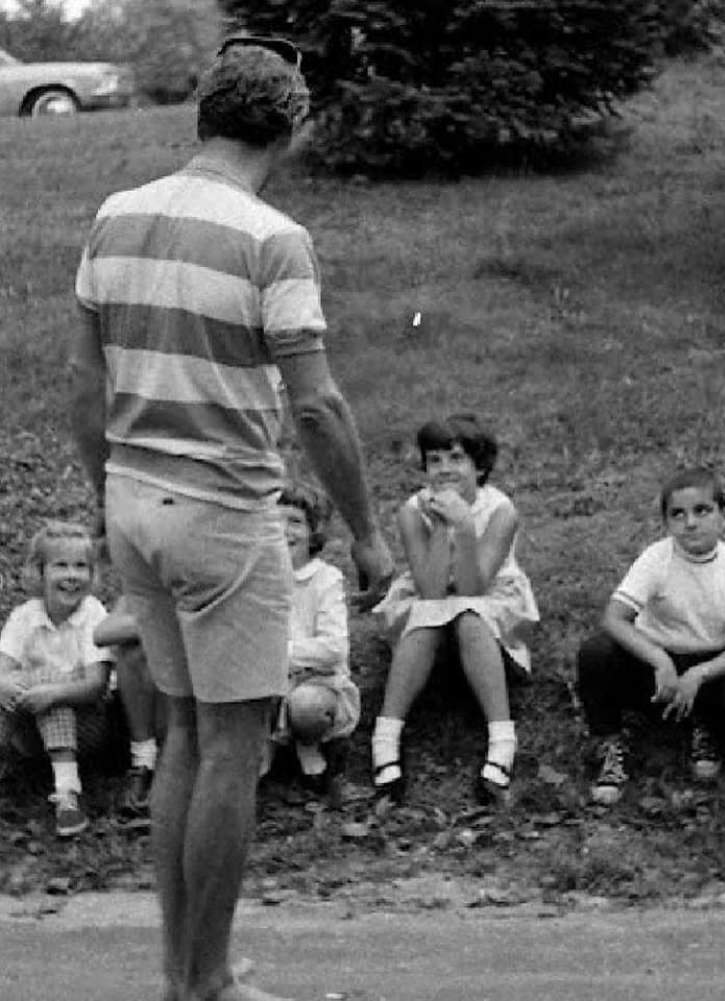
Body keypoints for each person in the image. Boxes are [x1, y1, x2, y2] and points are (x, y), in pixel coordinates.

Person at [69, 34, 393, 1001]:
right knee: (232, 748)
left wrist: (106, 491)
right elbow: (319, 405)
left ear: (203, 115)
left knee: (182, 737)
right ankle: (203, 980)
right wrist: (368, 531)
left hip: (133, 497)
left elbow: (85, 379)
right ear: (287, 127)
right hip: (220, 512)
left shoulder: (114, 215)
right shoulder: (271, 238)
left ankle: (183, 973)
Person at [371, 413, 539, 806]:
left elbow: (473, 586)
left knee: (468, 612)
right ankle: (386, 735)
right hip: (430, 594)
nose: (444, 469)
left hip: (488, 593)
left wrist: (464, 527)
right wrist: (443, 527)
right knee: (428, 613)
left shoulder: (501, 511)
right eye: (434, 460)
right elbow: (430, 589)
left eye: (456, 458)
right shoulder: (413, 511)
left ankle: (501, 738)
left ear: (479, 466)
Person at [576, 467, 725, 806]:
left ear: (722, 515)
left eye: (702, 511)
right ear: (666, 523)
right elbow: (615, 618)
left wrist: (699, 674)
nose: (690, 523)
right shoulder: (657, 558)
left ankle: (707, 731)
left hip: (709, 666)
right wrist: (658, 658)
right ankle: (610, 744)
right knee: (596, 653)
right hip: (654, 663)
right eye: (678, 514)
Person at [0, 522, 114, 838]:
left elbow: (96, 685)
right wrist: (8, 686)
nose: (71, 575)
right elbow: (2, 670)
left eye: (81, 567)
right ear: (40, 572)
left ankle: (67, 794)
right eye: (60, 565)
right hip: (31, 732)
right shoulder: (26, 616)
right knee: (19, 684)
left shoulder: (93, 614)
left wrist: (52, 692)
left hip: (87, 726)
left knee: (50, 683)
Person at [264, 481, 358, 795]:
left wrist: (280, 654)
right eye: (275, 522)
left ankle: (308, 743)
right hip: (267, 681)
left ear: (313, 532)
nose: (284, 531)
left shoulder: (324, 579)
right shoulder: (257, 579)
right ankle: (266, 747)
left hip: (317, 682)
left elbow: (333, 649)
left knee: (305, 704)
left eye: (294, 522)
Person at [93, 594, 162, 819]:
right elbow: (104, 633)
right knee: (134, 651)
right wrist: (167, 621)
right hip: (141, 711)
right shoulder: (149, 588)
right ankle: (144, 762)